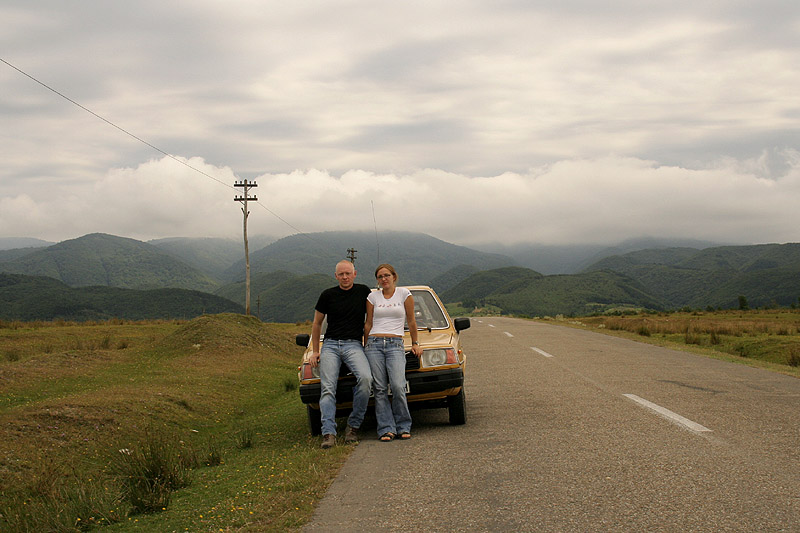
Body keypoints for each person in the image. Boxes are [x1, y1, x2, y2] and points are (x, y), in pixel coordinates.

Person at [309, 260, 373, 449]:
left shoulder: (364, 292)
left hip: (354, 344)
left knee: (366, 379)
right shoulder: (327, 295)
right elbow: (316, 324)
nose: (345, 277)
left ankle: (353, 426)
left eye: (348, 273)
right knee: (328, 387)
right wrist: (315, 351)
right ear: (335, 276)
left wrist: (368, 345)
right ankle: (328, 433)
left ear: (355, 273)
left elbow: (372, 319)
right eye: (341, 274)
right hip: (330, 345)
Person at [364, 263, 423, 441]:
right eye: (380, 277)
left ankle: (403, 425)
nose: (384, 279)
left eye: (387, 275)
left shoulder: (404, 294)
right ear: (377, 280)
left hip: (395, 343)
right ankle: (386, 428)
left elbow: (412, 321)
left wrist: (415, 343)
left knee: (398, 386)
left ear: (394, 276)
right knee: (380, 388)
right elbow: (368, 323)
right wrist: (365, 345)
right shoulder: (372, 297)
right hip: (374, 344)